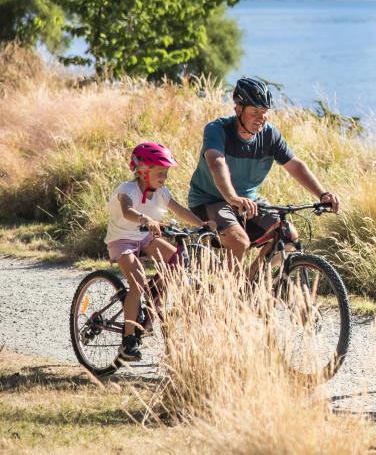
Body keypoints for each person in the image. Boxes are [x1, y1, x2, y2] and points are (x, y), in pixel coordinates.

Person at [186, 77, 340, 263]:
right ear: (238, 109)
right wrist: (232, 197)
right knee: (239, 242)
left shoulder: (269, 135)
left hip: (248, 202)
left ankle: (252, 283)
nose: (261, 118)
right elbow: (216, 162)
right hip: (209, 201)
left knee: (288, 235)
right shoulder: (217, 130)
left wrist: (322, 194)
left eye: (264, 112)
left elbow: (295, 165)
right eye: (255, 112)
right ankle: (229, 290)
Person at [104, 142, 205, 363]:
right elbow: (127, 210)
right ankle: (128, 342)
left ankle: (152, 304)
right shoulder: (127, 190)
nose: (164, 177)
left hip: (145, 237)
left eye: (166, 173)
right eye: (160, 172)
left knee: (177, 261)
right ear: (141, 171)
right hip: (122, 240)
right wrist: (145, 219)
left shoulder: (161, 193)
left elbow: (180, 211)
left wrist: (203, 225)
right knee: (138, 283)